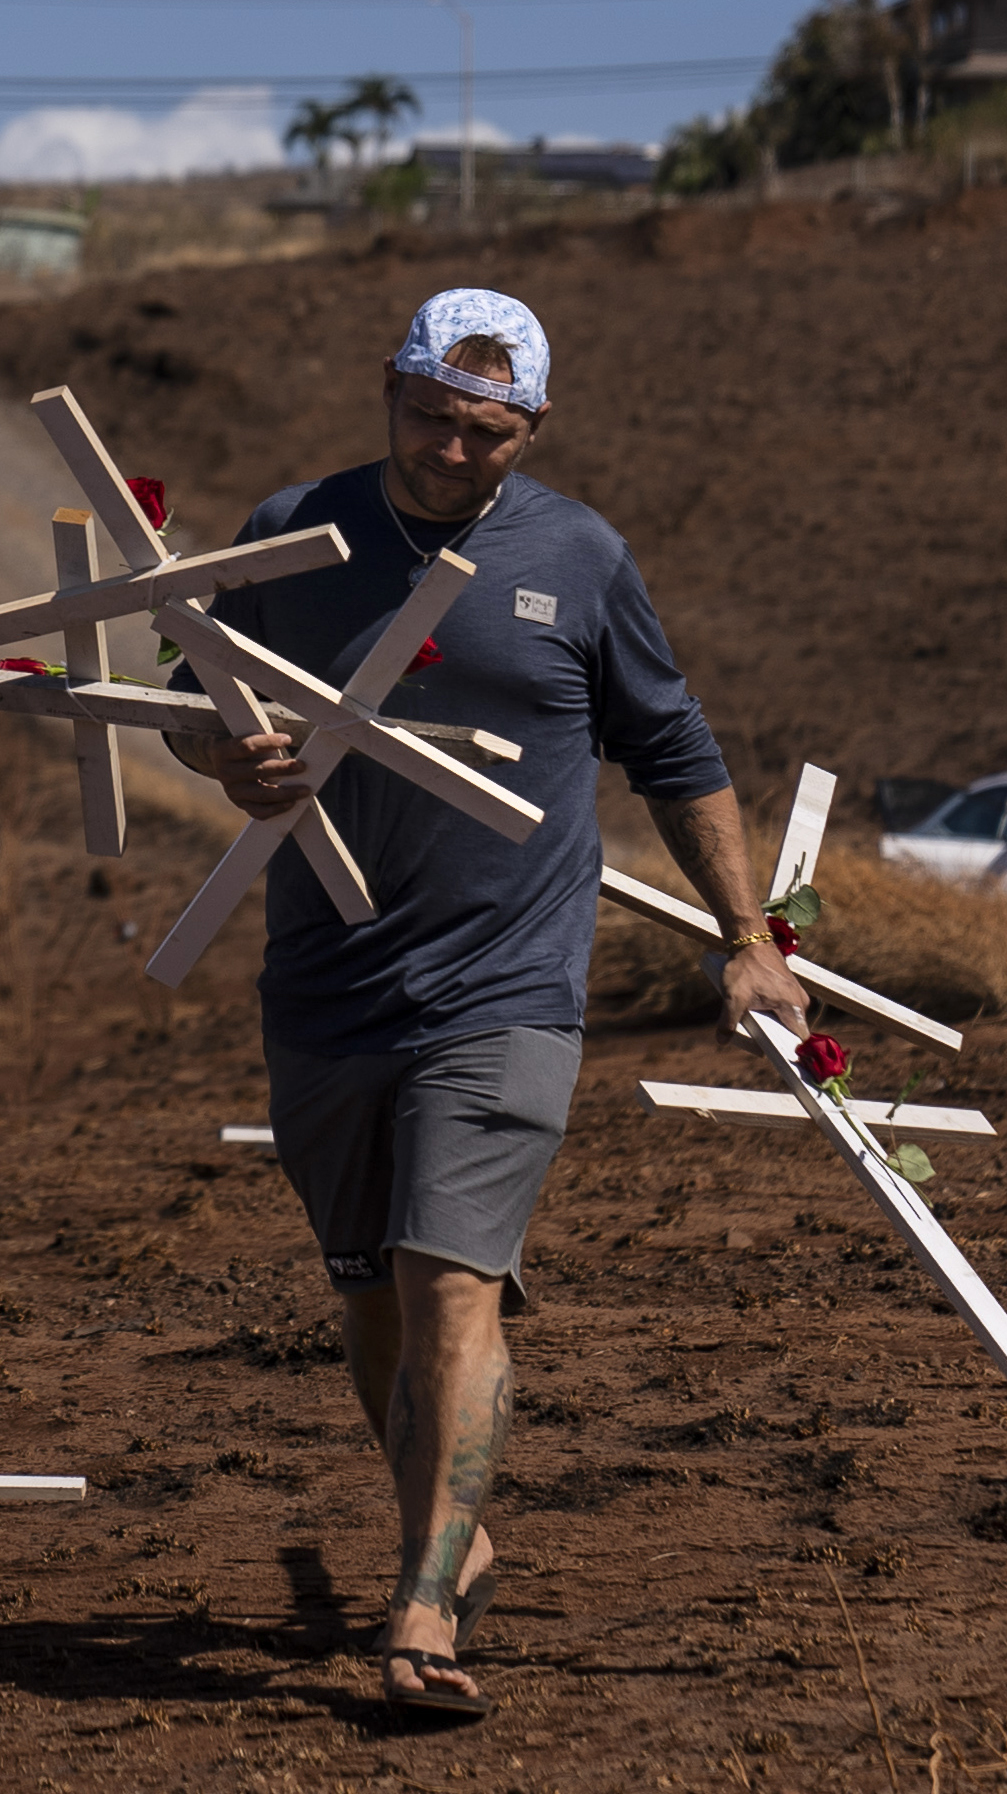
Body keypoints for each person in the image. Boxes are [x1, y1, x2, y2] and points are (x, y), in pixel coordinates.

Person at [162, 289, 807, 1721]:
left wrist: (747, 935)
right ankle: (452, 1529)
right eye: (428, 417)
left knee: (451, 1274)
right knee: (369, 1297)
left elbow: (674, 748)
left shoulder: (572, 555)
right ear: (384, 389)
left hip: (505, 983)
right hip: (324, 983)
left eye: (486, 432)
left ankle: (419, 1602)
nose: (452, 452)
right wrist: (227, 755)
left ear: (530, 428)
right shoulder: (289, 530)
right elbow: (180, 692)